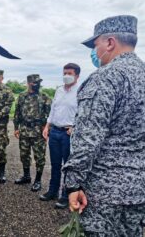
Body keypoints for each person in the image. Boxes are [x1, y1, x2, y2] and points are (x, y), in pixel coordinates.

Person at [63, 15, 145, 236]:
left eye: (95, 44)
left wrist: (73, 184)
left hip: (104, 194)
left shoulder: (106, 78)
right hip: (138, 193)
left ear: (110, 42)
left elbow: (88, 139)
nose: (95, 51)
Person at [39, 63, 80, 208]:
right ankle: (52, 191)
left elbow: (84, 114)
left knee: (68, 166)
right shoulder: (59, 90)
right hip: (55, 131)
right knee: (55, 164)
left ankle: (65, 195)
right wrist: (47, 126)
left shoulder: (81, 91)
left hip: (68, 134)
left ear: (77, 76)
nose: (66, 76)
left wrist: (76, 127)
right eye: (64, 73)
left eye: (69, 73)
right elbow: (53, 110)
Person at [13, 74, 51, 191]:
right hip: (24, 130)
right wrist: (16, 127)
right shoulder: (22, 96)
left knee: (39, 157)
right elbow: (17, 112)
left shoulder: (44, 97)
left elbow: (50, 115)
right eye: (35, 83)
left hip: (38, 131)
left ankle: (38, 180)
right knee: (24, 154)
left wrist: (46, 129)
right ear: (29, 83)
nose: (37, 84)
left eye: (38, 82)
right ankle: (26, 176)